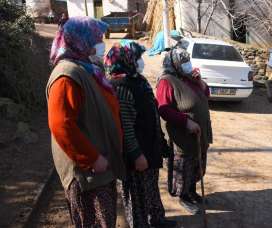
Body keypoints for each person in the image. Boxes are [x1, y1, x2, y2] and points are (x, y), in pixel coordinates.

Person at [47, 16, 125, 228]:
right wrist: (92, 158)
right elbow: (61, 124)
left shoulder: (85, 68)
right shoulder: (66, 75)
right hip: (88, 174)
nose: (101, 43)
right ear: (82, 41)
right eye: (97, 38)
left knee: (106, 221)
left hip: (100, 167)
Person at [104, 40, 177, 228]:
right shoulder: (120, 87)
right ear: (127, 60)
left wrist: (161, 142)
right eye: (138, 58)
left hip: (149, 147)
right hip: (136, 155)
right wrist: (136, 154)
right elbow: (126, 126)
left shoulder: (138, 80)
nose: (141, 61)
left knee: (151, 189)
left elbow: (152, 112)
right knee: (136, 196)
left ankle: (157, 220)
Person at [156, 47, 212, 215]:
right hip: (183, 134)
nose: (188, 64)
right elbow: (163, 109)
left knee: (197, 163)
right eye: (184, 62)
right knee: (184, 166)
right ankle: (184, 196)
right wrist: (185, 122)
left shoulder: (189, 78)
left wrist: (200, 81)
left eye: (188, 61)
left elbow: (206, 93)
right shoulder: (167, 81)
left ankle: (192, 191)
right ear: (174, 64)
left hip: (199, 133)